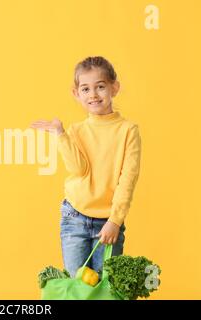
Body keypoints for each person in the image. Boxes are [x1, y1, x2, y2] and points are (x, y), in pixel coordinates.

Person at [30, 56, 142, 278]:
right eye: (85, 89)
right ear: (76, 94)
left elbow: (127, 179)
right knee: (77, 284)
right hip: (75, 217)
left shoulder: (128, 130)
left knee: (105, 287)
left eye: (100, 87)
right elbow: (78, 170)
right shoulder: (75, 131)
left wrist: (115, 221)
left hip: (108, 221)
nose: (93, 95)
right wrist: (60, 135)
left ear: (114, 87)